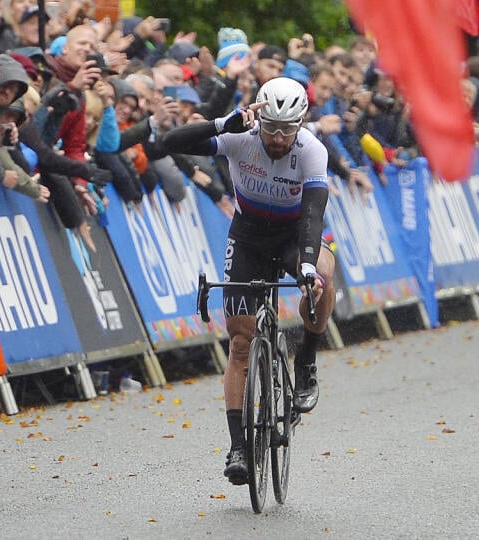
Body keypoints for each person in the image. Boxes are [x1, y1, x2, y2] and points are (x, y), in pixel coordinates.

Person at [162, 77, 335, 485]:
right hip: (249, 236)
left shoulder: (313, 151)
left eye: (286, 129)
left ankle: (307, 358)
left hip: (296, 236)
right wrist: (222, 124)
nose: (277, 138)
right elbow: (171, 142)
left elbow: (313, 215)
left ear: (301, 123)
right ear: (259, 116)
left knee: (325, 273)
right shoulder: (241, 137)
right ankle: (239, 446)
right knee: (240, 342)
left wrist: (307, 269)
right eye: (270, 127)